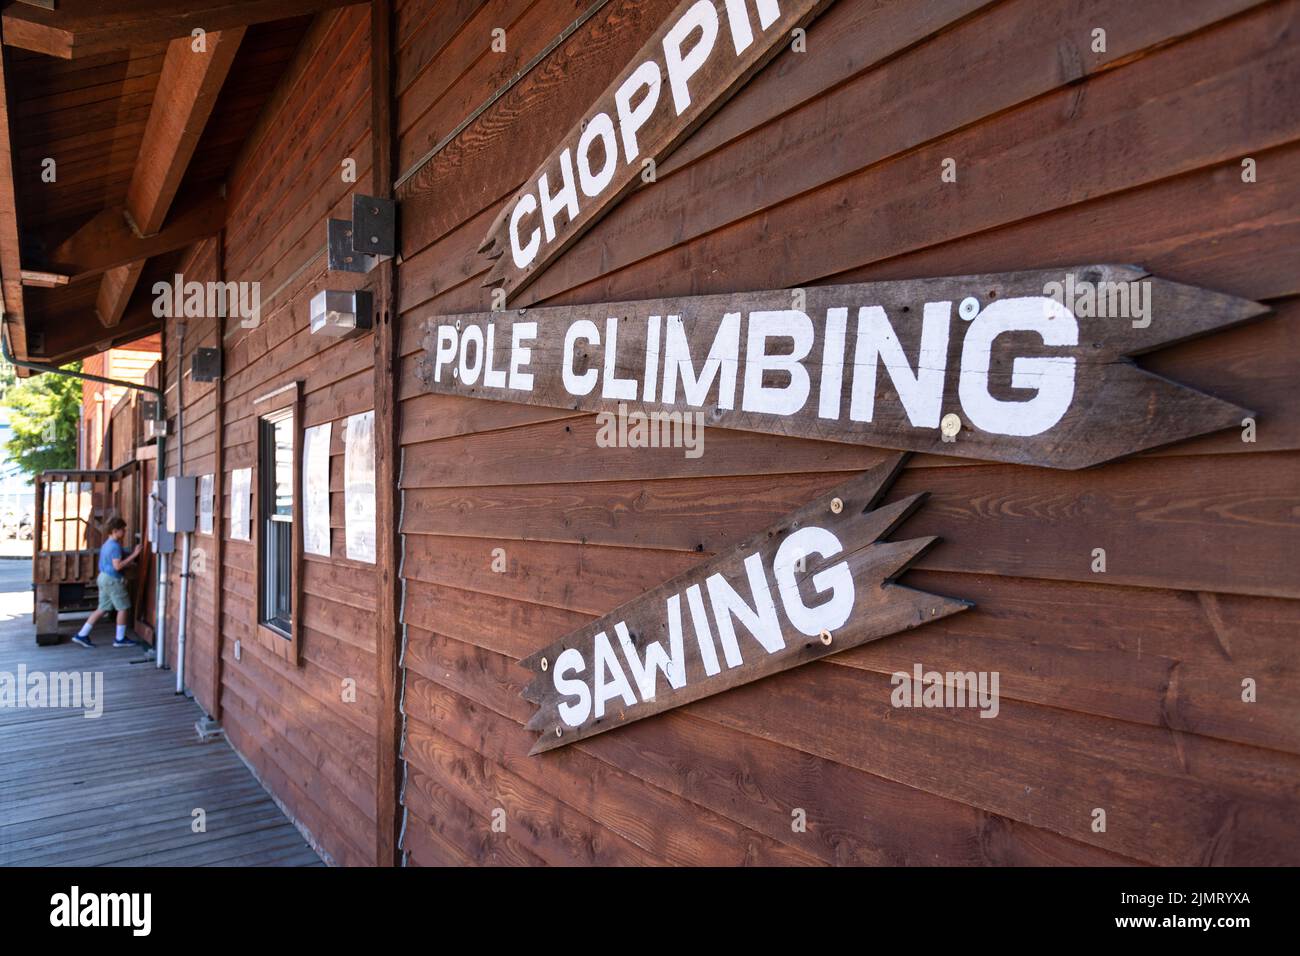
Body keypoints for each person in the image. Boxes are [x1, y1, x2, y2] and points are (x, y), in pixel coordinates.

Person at [72, 517, 143, 649]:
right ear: (115, 531)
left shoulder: (107, 544)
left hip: (103, 577)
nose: (125, 532)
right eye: (123, 530)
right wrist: (135, 554)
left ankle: (82, 634)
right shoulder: (115, 546)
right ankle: (120, 639)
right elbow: (118, 566)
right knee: (123, 608)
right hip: (112, 579)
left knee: (102, 608)